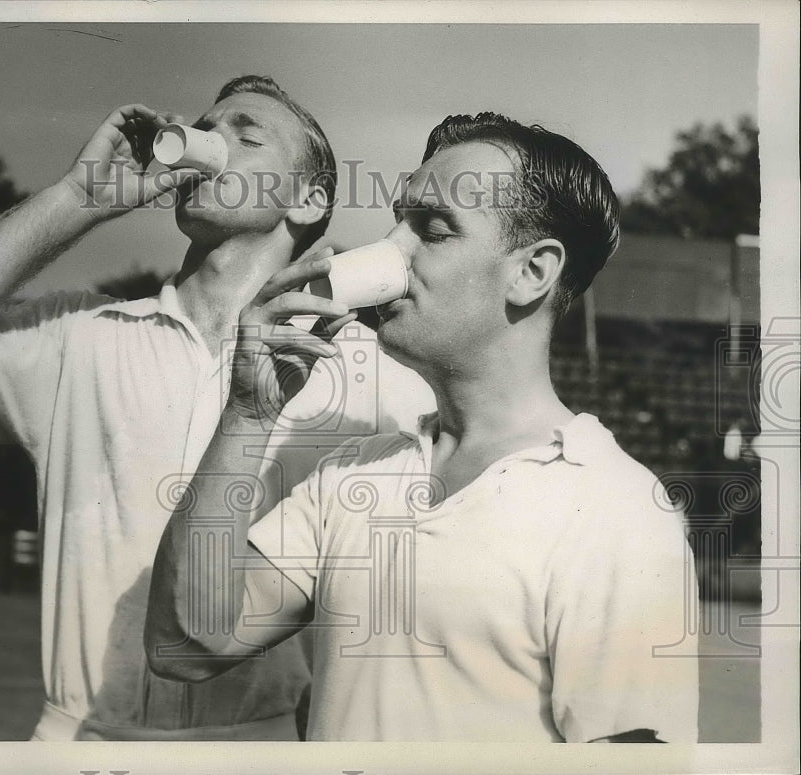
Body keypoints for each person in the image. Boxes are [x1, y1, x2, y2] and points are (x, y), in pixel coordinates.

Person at [0, 76, 435, 741]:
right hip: (82, 742)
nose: (211, 141)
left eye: (246, 135)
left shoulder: (373, 370)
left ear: (309, 200)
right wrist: (76, 200)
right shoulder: (77, 334)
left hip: (262, 744)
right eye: (208, 127)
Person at [145, 112, 700, 742]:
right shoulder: (353, 472)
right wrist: (249, 412)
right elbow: (184, 645)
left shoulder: (616, 511)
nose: (389, 251)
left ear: (532, 273)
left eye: (432, 231)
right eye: (396, 221)